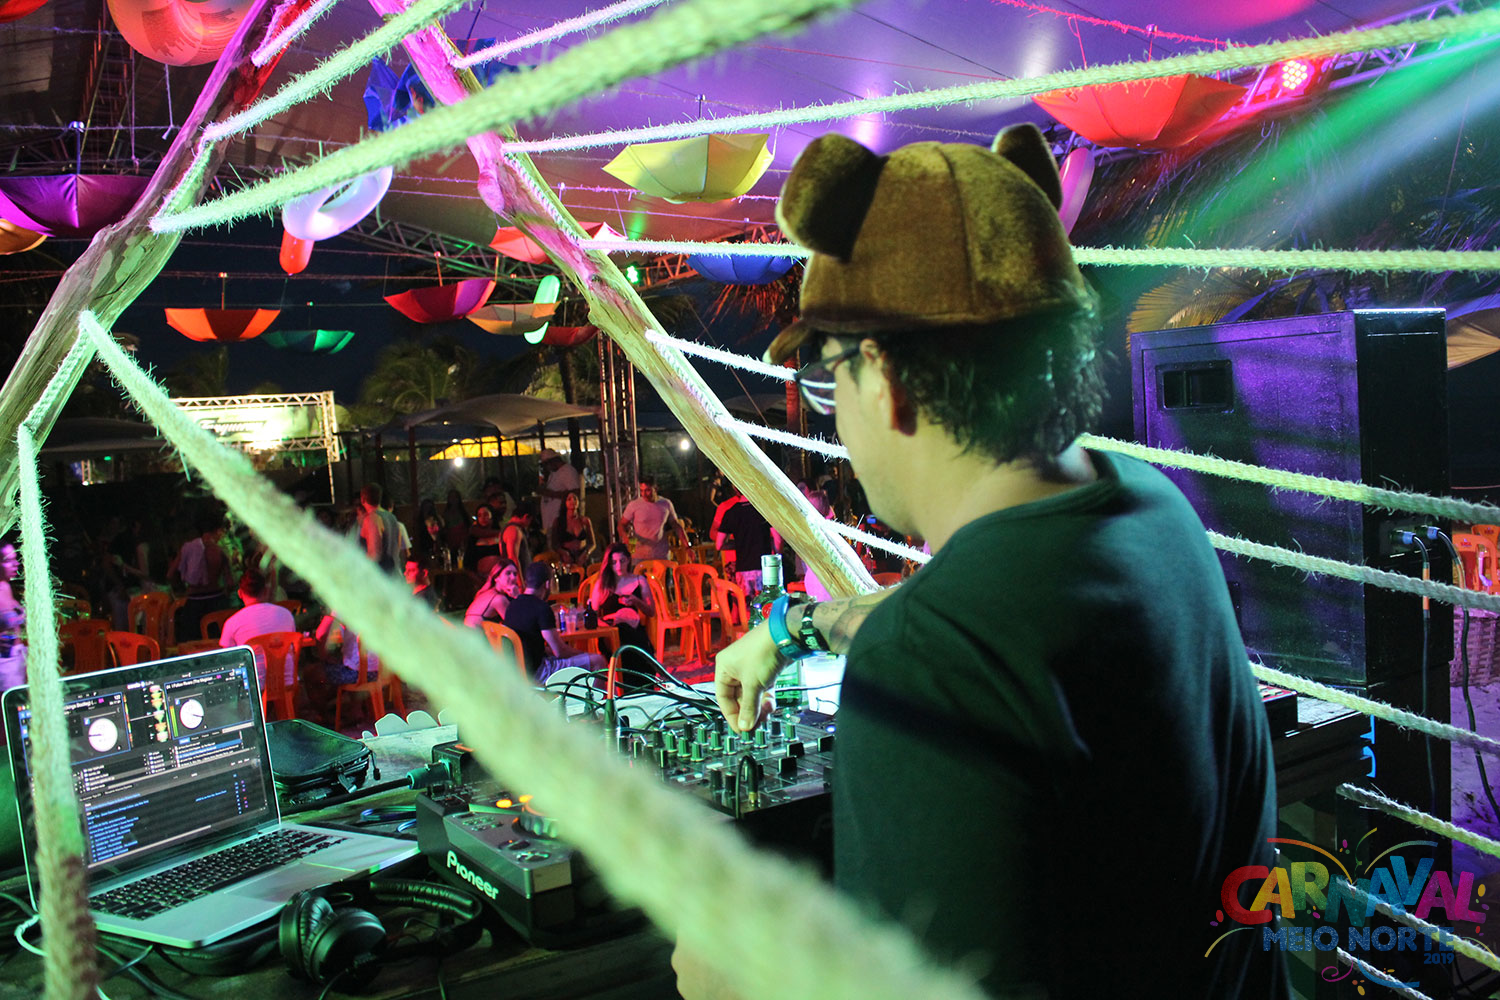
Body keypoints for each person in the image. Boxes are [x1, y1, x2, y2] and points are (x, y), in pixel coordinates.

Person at [682, 127, 1283, 999]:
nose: (832, 409)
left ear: (883, 377)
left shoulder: (927, 664)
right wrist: (786, 628)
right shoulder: (1150, 509)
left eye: (827, 374)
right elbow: (972, 612)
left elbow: (949, 634)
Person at [504, 563, 605, 682]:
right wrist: (584, 654)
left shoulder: (512, 606)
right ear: (547, 584)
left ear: (527, 582)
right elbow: (560, 652)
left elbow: (530, 645)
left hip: (516, 673)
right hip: (538, 673)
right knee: (598, 661)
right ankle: (599, 695)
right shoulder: (541, 608)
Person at [218, 567, 295, 691]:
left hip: (254, 687)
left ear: (240, 593)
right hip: (287, 682)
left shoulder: (232, 622)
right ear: (266, 591)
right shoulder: (286, 614)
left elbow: (227, 660)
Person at [168, 511, 233, 644]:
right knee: (218, 645)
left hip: (193, 604)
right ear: (218, 530)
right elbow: (230, 582)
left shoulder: (188, 548)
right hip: (217, 602)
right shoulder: (220, 551)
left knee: (193, 646)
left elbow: (170, 574)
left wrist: (181, 589)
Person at [588, 543, 655, 662]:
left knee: (636, 640)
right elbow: (593, 616)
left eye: (622, 561)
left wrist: (636, 601)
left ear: (628, 560)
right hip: (611, 633)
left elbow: (651, 612)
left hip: (633, 630)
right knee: (621, 635)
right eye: (614, 562)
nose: (618, 566)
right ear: (609, 564)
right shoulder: (602, 585)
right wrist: (609, 626)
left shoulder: (639, 580)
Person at [711, 486, 780, 599]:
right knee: (768, 605)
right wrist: (777, 551)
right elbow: (778, 539)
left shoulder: (731, 513)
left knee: (747, 606)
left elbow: (719, 545)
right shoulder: (764, 510)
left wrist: (738, 544)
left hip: (743, 569)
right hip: (765, 567)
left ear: (736, 490)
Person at [618, 476, 689, 566]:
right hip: (639, 556)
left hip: (661, 554)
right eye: (641, 491)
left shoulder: (666, 504)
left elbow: (676, 525)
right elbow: (621, 524)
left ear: (655, 489)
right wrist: (625, 537)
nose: (644, 494)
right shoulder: (634, 505)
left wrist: (687, 547)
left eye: (647, 490)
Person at [358, 483, 403, 572]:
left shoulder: (371, 519)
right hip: (393, 570)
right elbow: (397, 545)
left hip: (379, 573)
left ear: (362, 499)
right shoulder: (391, 517)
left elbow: (374, 554)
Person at [0, 538, 26, 692]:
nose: (15, 564)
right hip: (5, 668)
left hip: (18, 662)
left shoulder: (6, 587)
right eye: (8, 561)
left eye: (15, 559)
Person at [464, 559, 522, 627]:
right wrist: (518, 597)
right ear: (496, 577)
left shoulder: (486, 592)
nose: (513, 577)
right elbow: (518, 624)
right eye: (508, 573)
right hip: (475, 633)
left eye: (515, 574)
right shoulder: (499, 599)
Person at [549, 491, 596, 573]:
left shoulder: (585, 521)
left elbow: (593, 543)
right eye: (569, 499)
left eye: (575, 498)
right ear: (565, 503)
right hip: (565, 557)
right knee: (566, 575)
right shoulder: (558, 521)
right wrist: (563, 553)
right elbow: (554, 544)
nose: (572, 501)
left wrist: (586, 553)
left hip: (582, 555)